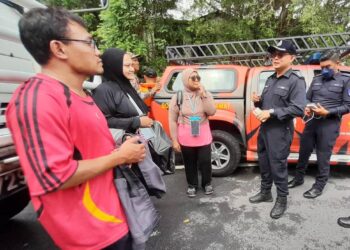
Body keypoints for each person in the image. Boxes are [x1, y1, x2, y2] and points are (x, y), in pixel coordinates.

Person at [6, 7, 146, 250]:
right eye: (90, 42)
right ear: (59, 48)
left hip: (116, 215)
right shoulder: (37, 99)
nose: (97, 51)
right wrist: (119, 157)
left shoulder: (81, 93)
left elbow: (88, 150)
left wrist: (121, 153)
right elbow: (53, 176)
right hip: (91, 231)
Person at [249, 40, 306, 219]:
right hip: (265, 129)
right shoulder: (271, 78)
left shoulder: (296, 81)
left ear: (292, 58)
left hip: (280, 132)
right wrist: (258, 101)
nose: (275, 57)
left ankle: (282, 199)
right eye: (273, 54)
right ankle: (266, 192)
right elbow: (268, 104)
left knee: (278, 166)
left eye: (280, 54)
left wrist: (271, 112)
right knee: (264, 162)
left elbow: (298, 108)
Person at [288, 51, 350, 198]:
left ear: (338, 64)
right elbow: (307, 98)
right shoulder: (317, 79)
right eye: (322, 67)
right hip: (312, 121)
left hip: (329, 124)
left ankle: (319, 186)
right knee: (304, 151)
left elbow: (348, 106)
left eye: (328, 66)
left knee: (323, 156)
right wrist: (306, 108)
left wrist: (328, 112)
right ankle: (298, 178)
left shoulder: (346, 80)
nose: (324, 70)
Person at [169, 68, 216, 197]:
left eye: (198, 78)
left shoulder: (205, 93)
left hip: (203, 134)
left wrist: (203, 95)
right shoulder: (178, 97)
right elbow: (172, 120)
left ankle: (207, 183)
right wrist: (174, 139)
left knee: (205, 161)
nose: (196, 80)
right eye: (193, 78)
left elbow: (211, 112)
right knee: (189, 162)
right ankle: (192, 185)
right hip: (186, 135)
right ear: (185, 79)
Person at [92, 48, 154, 134]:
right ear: (114, 66)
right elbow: (103, 121)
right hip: (124, 143)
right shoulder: (104, 90)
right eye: (127, 66)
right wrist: (136, 122)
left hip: (142, 139)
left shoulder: (126, 86)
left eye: (131, 65)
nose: (132, 69)